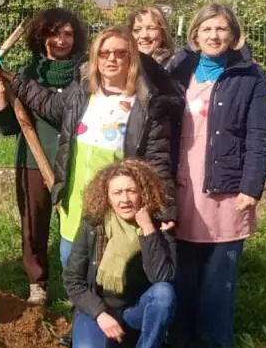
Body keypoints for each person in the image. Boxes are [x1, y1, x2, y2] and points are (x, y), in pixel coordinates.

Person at [14, 25, 182, 269]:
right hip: (76, 203)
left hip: (119, 205)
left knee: (111, 273)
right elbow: (49, 104)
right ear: (95, 58)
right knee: (72, 265)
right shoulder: (82, 95)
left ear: (132, 58)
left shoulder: (147, 106)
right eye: (104, 53)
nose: (111, 59)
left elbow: (158, 160)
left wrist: (165, 207)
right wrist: (15, 81)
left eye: (120, 53)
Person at [168, 3, 266, 348]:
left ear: (233, 35)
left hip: (226, 187)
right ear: (195, 34)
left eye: (221, 29)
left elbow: (259, 135)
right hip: (183, 183)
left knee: (217, 277)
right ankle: (177, 343)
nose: (214, 36)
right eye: (207, 29)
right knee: (182, 271)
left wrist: (251, 187)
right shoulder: (179, 70)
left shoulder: (250, 76)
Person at [0, 7, 86, 305]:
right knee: (33, 223)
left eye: (68, 34)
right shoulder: (27, 74)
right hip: (33, 160)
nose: (61, 40)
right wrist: (1, 94)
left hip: (74, 159)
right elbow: (9, 127)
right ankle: (37, 282)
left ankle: (77, 283)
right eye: (54, 33)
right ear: (41, 36)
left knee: (77, 223)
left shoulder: (85, 74)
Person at [64, 159, 176, 348]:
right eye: (117, 192)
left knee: (164, 293)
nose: (124, 199)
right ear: (107, 196)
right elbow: (73, 279)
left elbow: (162, 277)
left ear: (143, 193)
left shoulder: (159, 225)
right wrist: (100, 314)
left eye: (131, 191)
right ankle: (119, 343)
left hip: (136, 309)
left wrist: (148, 229)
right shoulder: (93, 224)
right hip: (102, 307)